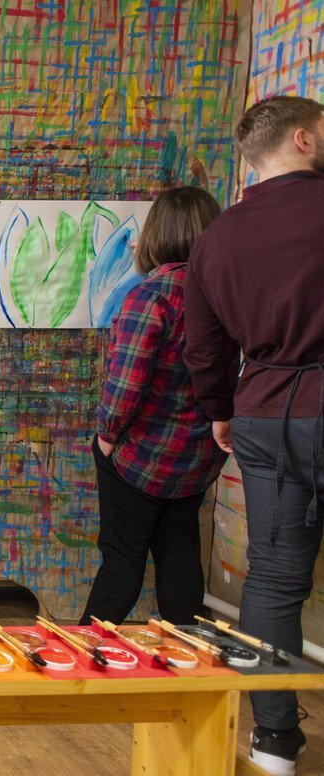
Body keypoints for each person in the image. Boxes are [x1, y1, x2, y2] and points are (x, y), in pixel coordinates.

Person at [184, 95, 324, 776]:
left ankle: (273, 740)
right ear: (303, 139)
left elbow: (204, 347)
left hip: (263, 414)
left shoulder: (218, 238)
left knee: (272, 578)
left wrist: (221, 410)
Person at [78, 186, 227, 627]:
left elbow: (126, 385)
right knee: (179, 555)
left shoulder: (152, 297)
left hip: (140, 457)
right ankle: (187, 656)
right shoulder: (224, 296)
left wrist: (105, 439)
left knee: (122, 558)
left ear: (159, 233)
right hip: (197, 459)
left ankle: (82, 654)